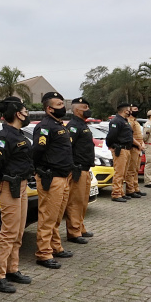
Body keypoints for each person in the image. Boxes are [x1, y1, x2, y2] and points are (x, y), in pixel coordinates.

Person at [0, 97, 34, 293]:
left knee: (18, 231)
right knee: (8, 232)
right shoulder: (4, 137)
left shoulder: (19, 135)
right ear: (16, 113)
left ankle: (12, 269)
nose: (27, 113)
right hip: (9, 186)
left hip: (21, 185)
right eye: (24, 110)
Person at [31, 92, 74, 269]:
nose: (62, 107)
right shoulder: (44, 127)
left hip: (64, 176)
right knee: (48, 217)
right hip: (52, 177)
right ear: (49, 108)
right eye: (58, 104)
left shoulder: (59, 125)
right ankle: (43, 253)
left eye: (62, 103)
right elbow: (37, 152)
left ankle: (55, 247)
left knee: (57, 216)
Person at [63, 97, 95, 244]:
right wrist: (72, 167)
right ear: (76, 110)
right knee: (75, 202)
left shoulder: (83, 124)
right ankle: (73, 232)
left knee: (83, 201)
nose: (87, 110)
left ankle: (80, 227)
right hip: (77, 168)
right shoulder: (73, 126)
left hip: (86, 168)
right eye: (84, 107)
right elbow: (68, 148)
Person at [106, 103, 134, 202]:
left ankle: (121, 192)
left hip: (126, 149)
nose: (130, 112)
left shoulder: (124, 121)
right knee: (119, 172)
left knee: (124, 173)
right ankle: (116, 193)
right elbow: (111, 135)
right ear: (125, 111)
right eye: (129, 110)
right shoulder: (116, 121)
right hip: (120, 149)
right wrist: (111, 146)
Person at [125, 104, 145, 199]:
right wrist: (138, 144)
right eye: (134, 109)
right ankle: (130, 190)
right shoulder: (130, 121)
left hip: (138, 147)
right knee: (131, 170)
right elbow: (130, 136)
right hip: (133, 147)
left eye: (137, 108)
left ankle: (136, 188)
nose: (137, 110)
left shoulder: (135, 121)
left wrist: (142, 144)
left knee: (136, 169)